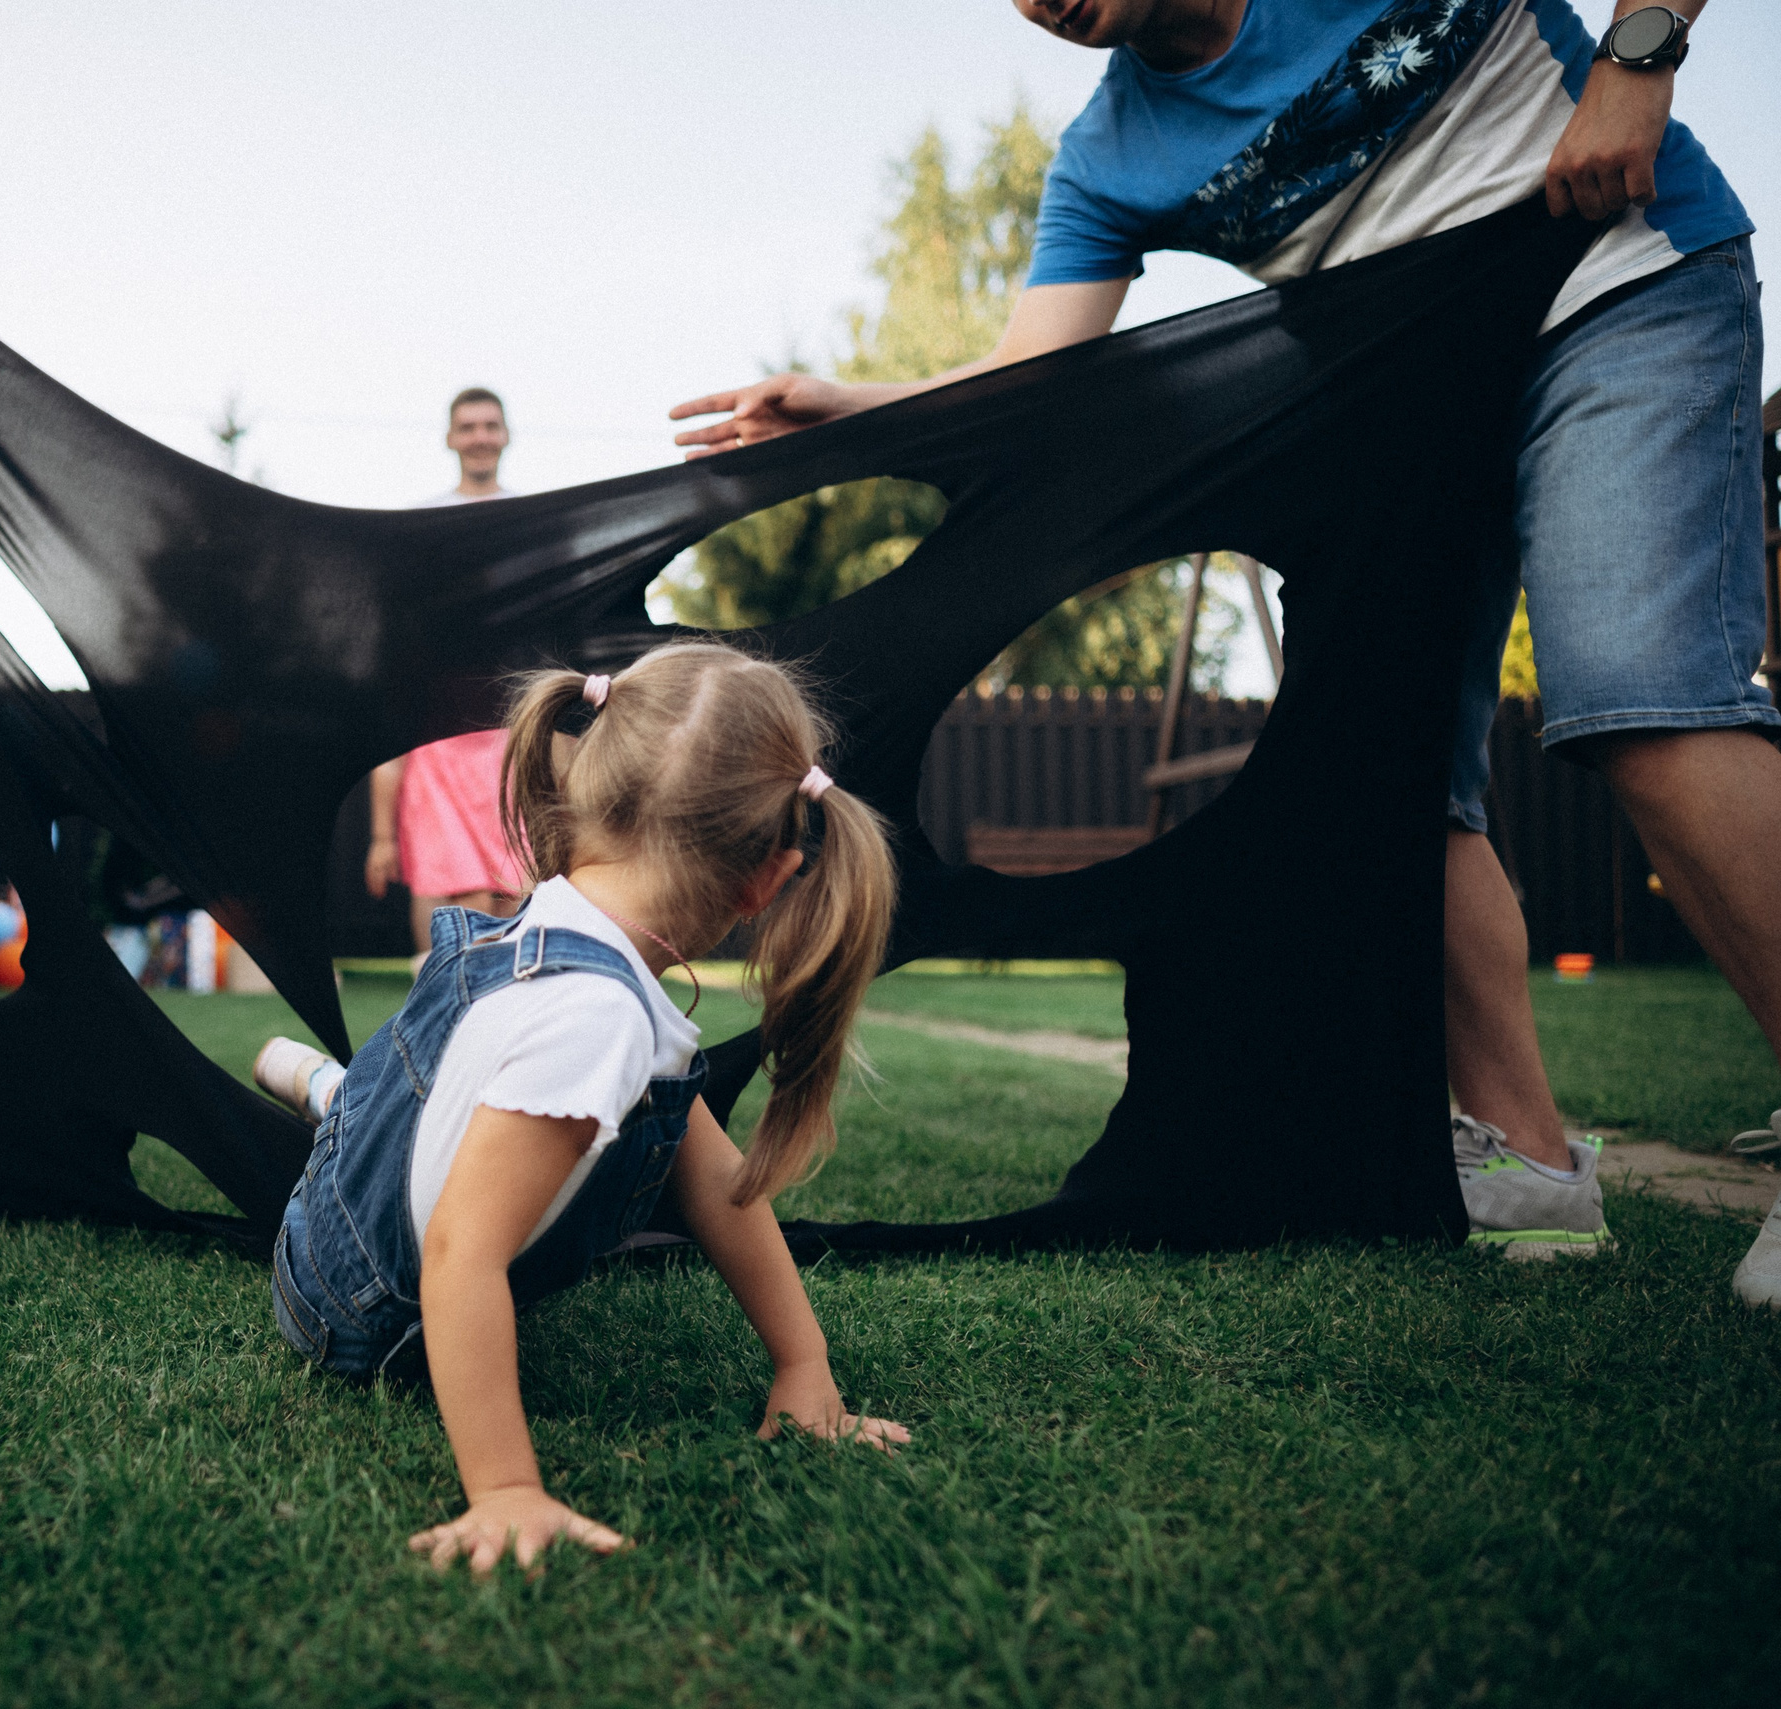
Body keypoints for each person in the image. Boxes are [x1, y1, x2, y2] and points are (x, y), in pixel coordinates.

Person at [672, 1, 1781, 1300]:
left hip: (1617, 291)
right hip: (1410, 430)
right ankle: (1526, 1158)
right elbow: (1031, 389)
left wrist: (1638, 58)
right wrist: (850, 411)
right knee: (1388, 773)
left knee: (1635, 697)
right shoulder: (1111, 158)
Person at [258, 642, 911, 1572]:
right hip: (347, 1302)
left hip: (389, 1156)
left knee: (405, 1104)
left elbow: (714, 1174)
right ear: (766, 880)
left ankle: (335, 1093)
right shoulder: (597, 1020)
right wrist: (505, 1488)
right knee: (418, 1139)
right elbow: (458, 1254)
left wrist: (804, 1365)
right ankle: (338, 1098)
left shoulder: (564, 911)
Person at [365, 389, 527, 958]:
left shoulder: (531, 521)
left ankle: (504, 1019)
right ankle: (440, 1006)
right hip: (439, 729)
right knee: (452, 890)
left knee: (512, 888)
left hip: (508, 727)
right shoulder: (424, 522)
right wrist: (382, 835)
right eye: (468, 426)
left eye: (490, 425)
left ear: (506, 434)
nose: (480, 436)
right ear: (451, 438)